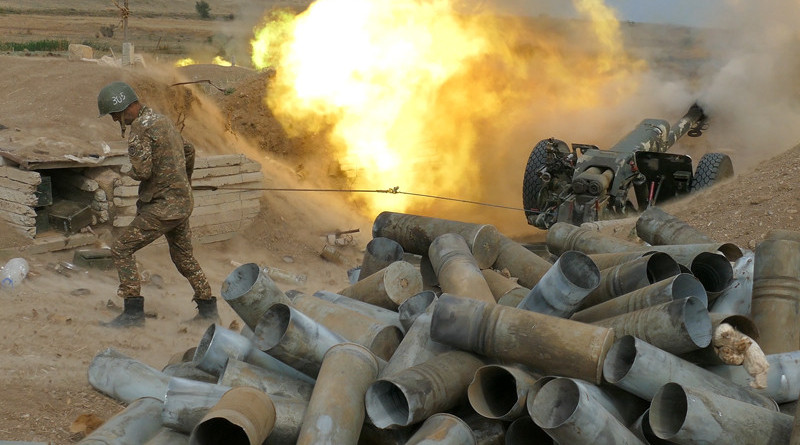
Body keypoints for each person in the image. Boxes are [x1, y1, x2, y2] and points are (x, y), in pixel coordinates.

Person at [96, 81, 218, 327]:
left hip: (162, 208)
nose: (114, 120)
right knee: (184, 258)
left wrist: (126, 171)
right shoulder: (162, 121)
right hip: (182, 204)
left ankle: (132, 314)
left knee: (121, 248)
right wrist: (185, 181)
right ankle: (208, 311)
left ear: (123, 108)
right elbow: (189, 150)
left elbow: (143, 171)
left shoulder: (140, 130)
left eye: (113, 114)